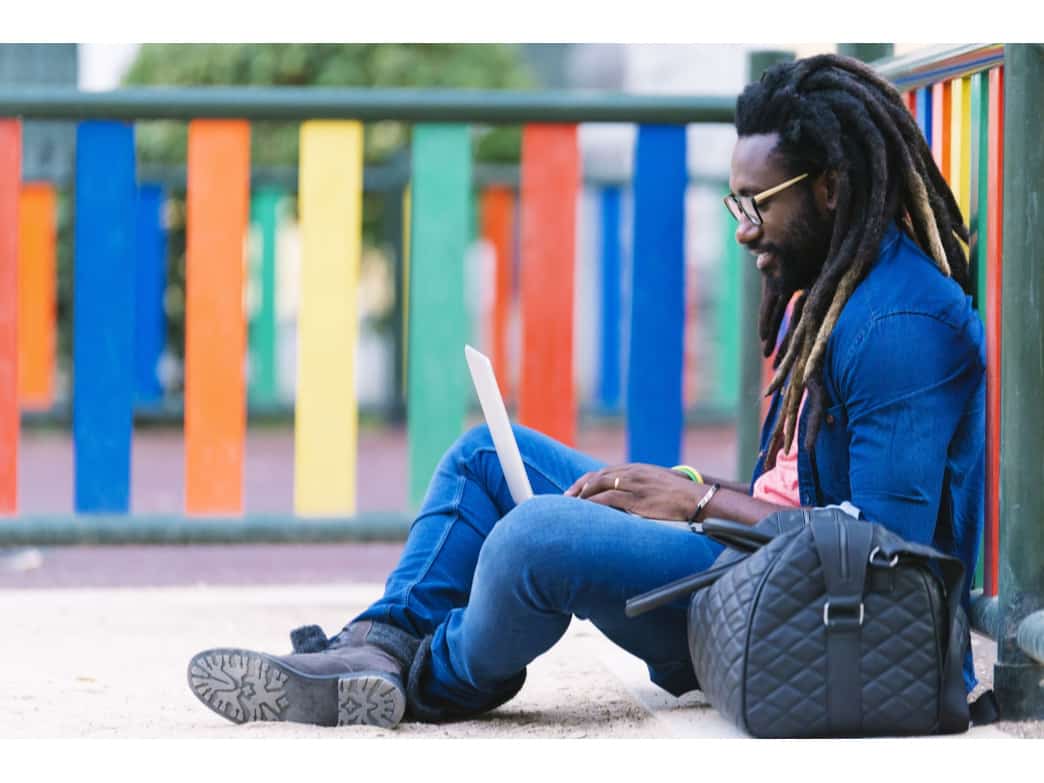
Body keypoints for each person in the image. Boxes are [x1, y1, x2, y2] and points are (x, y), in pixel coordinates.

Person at [187, 53, 984, 729]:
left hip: (804, 621)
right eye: (736, 203)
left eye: (757, 205)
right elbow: (806, 495)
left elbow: (884, 552)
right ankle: (378, 644)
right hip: (761, 571)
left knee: (542, 536)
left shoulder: (900, 324)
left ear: (833, 188)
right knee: (484, 460)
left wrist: (698, 503)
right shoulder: (839, 292)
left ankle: (421, 680)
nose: (744, 228)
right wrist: (698, 489)